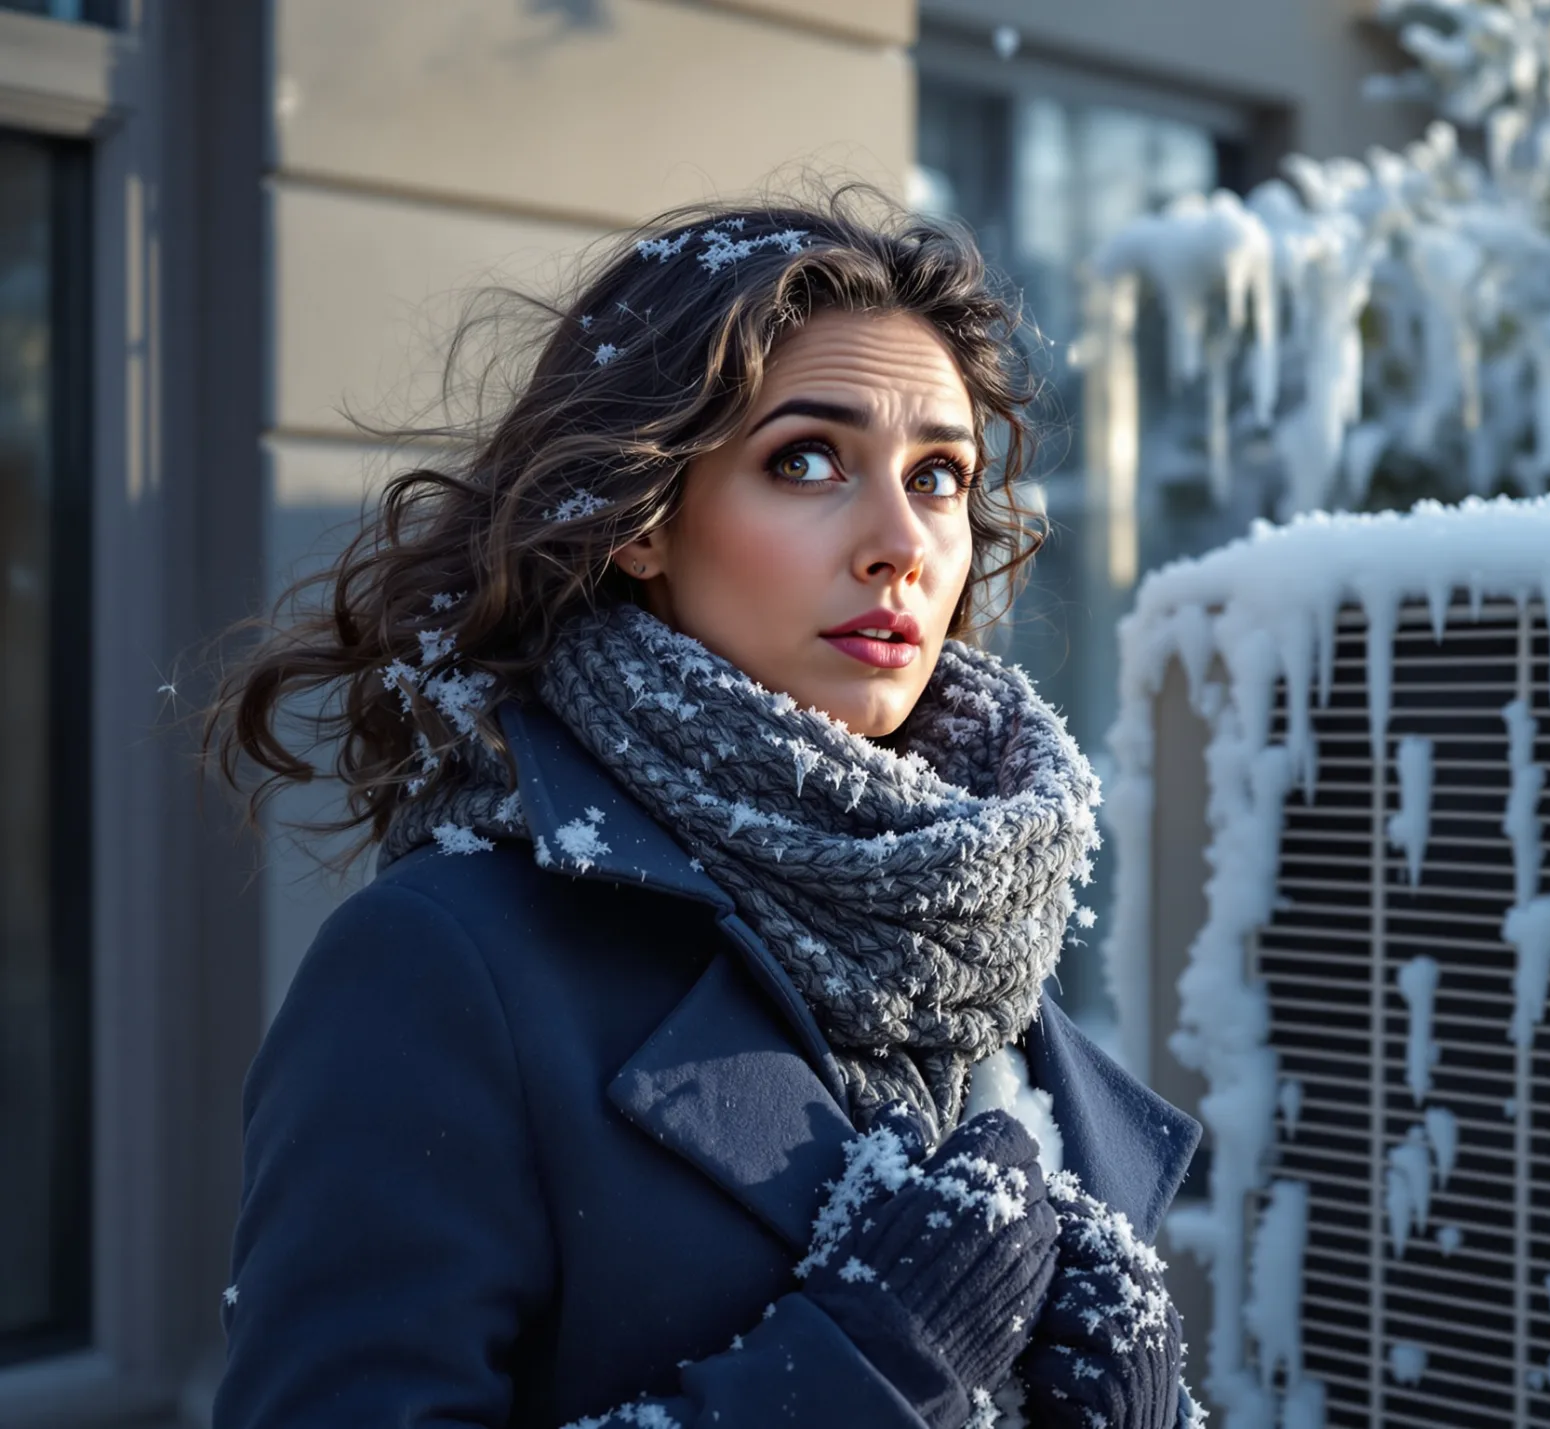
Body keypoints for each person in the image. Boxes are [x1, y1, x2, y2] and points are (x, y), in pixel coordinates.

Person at [203, 187, 1202, 1429]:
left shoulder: (959, 932)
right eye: (806, 460)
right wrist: (864, 1374)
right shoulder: (444, 964)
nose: (901, 541)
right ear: (642, 519)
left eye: (939, 475)